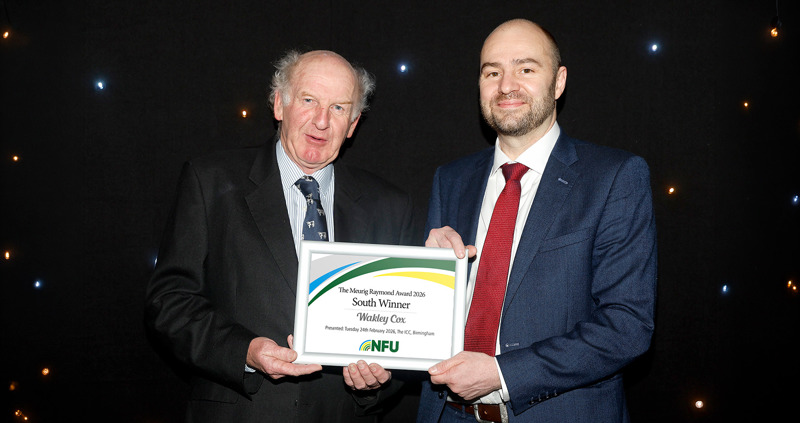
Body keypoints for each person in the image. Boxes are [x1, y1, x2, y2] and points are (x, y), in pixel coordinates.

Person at [145, 49, 417, 423]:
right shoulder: (210, 181)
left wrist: (379, 380)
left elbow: (406, 334)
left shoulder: (391, 206)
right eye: (309, 101)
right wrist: (245, 352)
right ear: (279, 105)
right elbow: (169, 302)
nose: (321, 121)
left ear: (353, 124)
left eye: (339, 108)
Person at [416, 19, 657, 422]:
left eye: (525, 69)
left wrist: (502, 374)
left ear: (559, 82)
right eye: (492, 72)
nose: (506, 85)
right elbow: (427, 320)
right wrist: (425, 277)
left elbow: (627, 325)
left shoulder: (615, 176)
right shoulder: (451, 179)